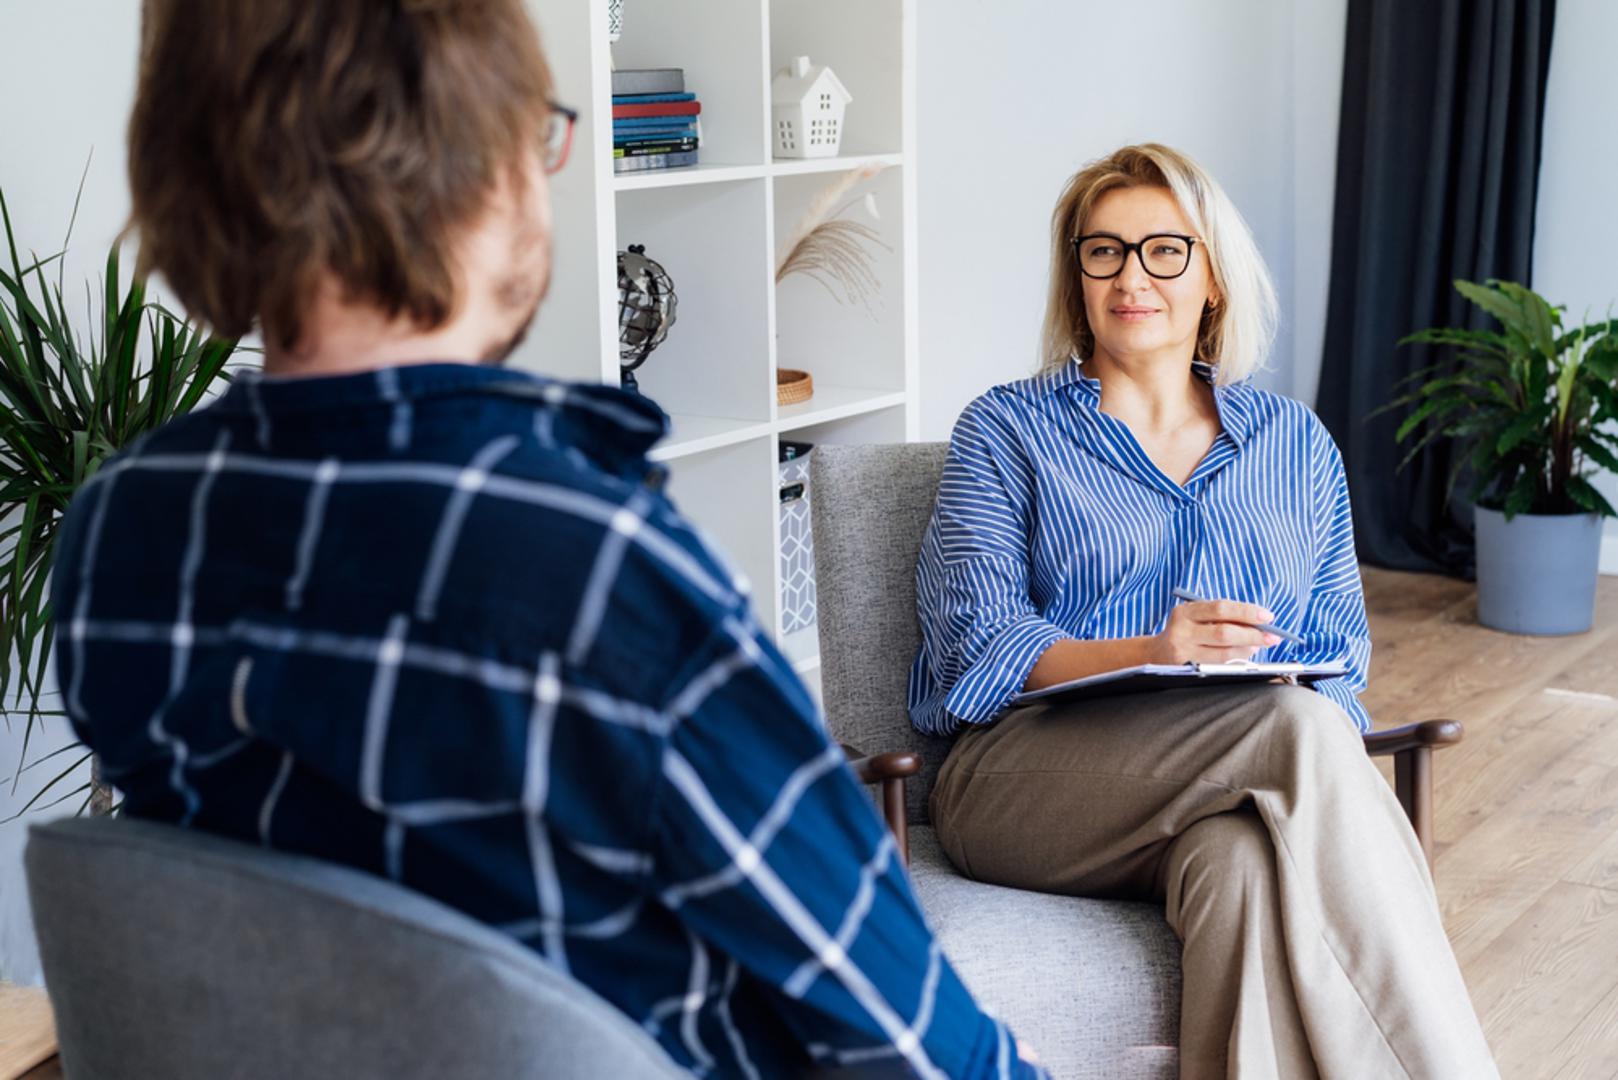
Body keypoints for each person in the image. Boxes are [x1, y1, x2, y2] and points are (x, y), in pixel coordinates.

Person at [51, 3, 1044, 1076]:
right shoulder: (590, 569)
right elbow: (915, 1045)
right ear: (484, 167)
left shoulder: (121, 533)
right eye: (543, 130)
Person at [911, 144, 1497, 1079]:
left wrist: (1260, 688)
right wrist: (1154, 649)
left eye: (1163, 250)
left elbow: (1339, 656)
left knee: (1242, 867)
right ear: (1077, 274)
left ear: (1213, 274)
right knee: (1298, 733)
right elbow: (976, 647)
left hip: (1225, 782)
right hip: (1024, 779)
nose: (1131, 276)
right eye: (1101, 252)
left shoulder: (1294, 443)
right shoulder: (1005, 428)